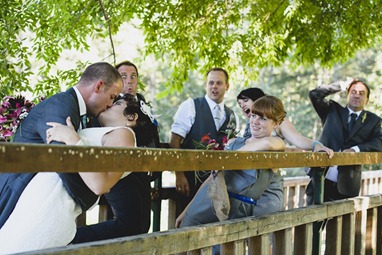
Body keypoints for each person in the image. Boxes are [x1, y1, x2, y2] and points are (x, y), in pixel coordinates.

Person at [0, 62, 124, 253]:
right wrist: (94, 190)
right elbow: (64, 162)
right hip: (15, 195)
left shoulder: (78, 111)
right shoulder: (61, 105)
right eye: (112, 97)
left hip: (37, 205)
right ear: (99, 86)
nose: (110, 104)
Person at [175, 96, 286, 254]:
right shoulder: (235, 143)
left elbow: (267, 143)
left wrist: (228, 158)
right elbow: (211, 178)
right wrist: (186, 210)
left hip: (234, 212)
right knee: (183, 244)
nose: (255, 121)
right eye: (254, 116)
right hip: (208, 202)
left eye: (263, 118)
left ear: (275, 123)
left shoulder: (275, 147)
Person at [72, 93, 160, 243]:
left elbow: (134, 225)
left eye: (117, 104)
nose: (109, 104)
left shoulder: (124, 139)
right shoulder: (107, 135)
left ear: (131, 117)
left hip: (129, 226)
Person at [170, 67, 238, 216]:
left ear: (227, 86)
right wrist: (179, 175)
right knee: (187, 224)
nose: (214, 86)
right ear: (206, 85)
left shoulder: (232, 115)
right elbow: (174, 141)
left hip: (218, 185)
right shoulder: (190, 106)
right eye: (211, 83)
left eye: (219, 83)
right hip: (190, 182)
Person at [307, 78, 382, 205]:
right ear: (347, 94)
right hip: (320, 178)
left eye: (361, 93)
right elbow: (314, 94)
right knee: (311, 221)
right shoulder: (331, 109)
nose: (356, 95)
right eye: (353, 91)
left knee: (340, 224)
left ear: (367, 100)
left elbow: (379, 142)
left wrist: (356, 149)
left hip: (348, 184)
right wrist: (341, 84)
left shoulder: (374, 121)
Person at [237, 87, 334, 156]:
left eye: (245, 100)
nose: (242, 106)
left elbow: (298, 139)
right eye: (240, 104)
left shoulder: (278, 120)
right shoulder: (250, 123)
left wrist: (316, 145)